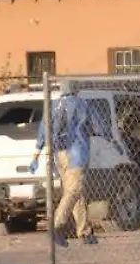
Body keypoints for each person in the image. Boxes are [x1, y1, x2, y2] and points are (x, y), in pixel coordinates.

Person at [31, 91, 96, 245]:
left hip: (59, 153)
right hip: (77, 153)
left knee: (74, 190)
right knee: (74, 190)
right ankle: (56, 225)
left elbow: (43, 131)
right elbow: (97, 124)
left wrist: (35, 156)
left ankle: (84, 230)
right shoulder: (82, 104)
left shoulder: (53, 106)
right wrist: (112, 139)